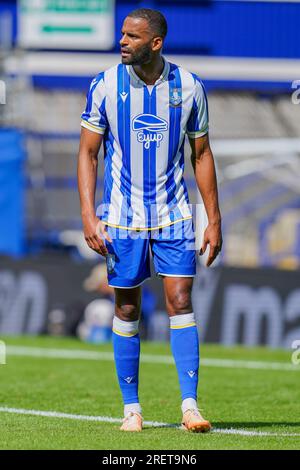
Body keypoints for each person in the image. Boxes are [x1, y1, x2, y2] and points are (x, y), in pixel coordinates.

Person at [77, 8, 222, 433]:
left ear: (155, 43)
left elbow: (202, 154)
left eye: (132, 36)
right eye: (122, 34)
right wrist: (89, 214)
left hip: (174, 217)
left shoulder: (190, 87)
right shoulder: (104, 85)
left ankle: (190, 406)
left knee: (180, 301)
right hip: (121, 220)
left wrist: (212, 218)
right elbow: (87, 154)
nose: (122, 41)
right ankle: (132, 409)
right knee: (126, 306)